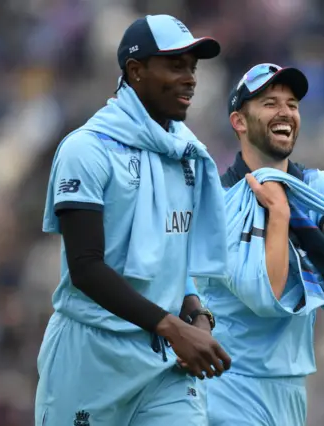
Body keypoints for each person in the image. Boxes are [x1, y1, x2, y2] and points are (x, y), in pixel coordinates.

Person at [35, 15, 231, 426]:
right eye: (175, 65)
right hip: (90, 358)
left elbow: (171, 257)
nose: (190, 78)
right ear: (135, 71)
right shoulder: (87, 149)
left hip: (164, 365)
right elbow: (86, 268)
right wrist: (174, 328)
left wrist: (195, 313)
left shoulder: (186, 154)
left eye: (193, 67)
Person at [195, 63, 324, 426]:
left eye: (292, 104)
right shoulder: (218, 201)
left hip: (290, 390)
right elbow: (267, 295)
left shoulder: (316, 186)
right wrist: (277, 213)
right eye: (269, 103)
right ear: (239, 121)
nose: (286, 112)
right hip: (227, 387)